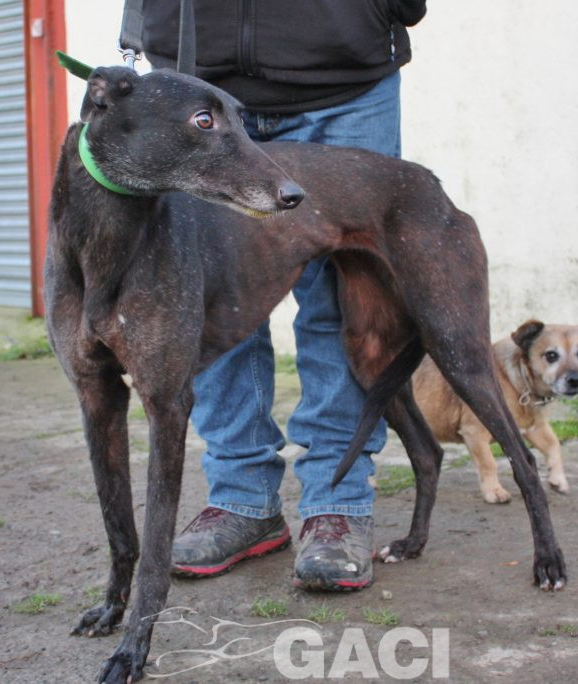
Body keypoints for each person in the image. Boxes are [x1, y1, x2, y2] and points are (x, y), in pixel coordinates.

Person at [141, 0, 427, 591]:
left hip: (344, 81)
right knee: (215, 304)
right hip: (197, 84)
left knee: (347, 302)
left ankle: (337, 504)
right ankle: (242, 499)